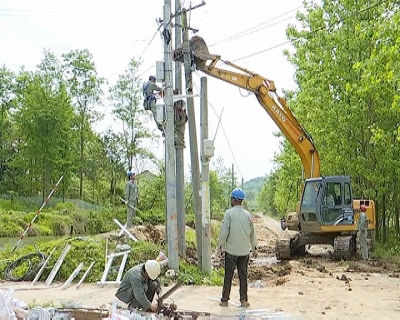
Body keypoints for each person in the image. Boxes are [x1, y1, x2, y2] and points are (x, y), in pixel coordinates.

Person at [217, 188, 257, 309]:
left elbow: (224, 232)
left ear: (233, 200)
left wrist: (219, 246)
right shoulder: (248, 215)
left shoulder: (229, 213)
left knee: (228, 276)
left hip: (231, 251)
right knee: (243, 276)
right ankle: (243, 301)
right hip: (245, 251)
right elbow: (252, 233)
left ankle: (224, 300)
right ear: (242, 201)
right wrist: (254, 248)